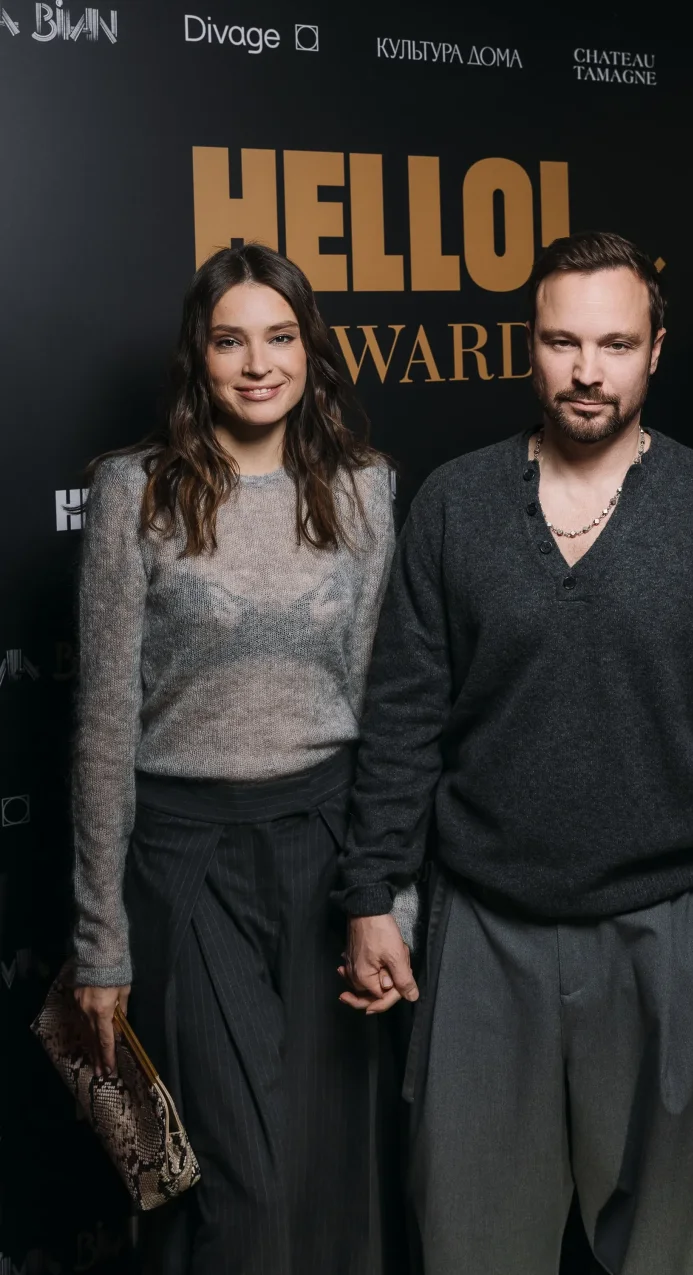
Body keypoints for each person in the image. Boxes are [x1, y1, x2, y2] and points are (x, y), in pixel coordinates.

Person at [335, 231, 693, 1275]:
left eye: (614, 344)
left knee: (681, 1256)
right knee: (471, 1245)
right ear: (530, 346)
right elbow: (406, 714)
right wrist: (371, 892)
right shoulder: (455, 504)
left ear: (655, 351)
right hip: (482, 935)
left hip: (671, 932)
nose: (587, 371)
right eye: (563, 342)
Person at [71, 244, 396, 1275]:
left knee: (329, 1183)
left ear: (310, 349)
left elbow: (379, 710)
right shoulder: (135, 492)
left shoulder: (365, 489)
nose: (259, 364)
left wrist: (389, 897)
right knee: (240, 1190)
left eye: (280, 336)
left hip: (328, 854)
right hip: (188, 859)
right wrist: (100, 943)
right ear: (198, 356)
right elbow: (103, 725)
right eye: (230, 340)